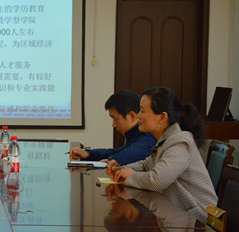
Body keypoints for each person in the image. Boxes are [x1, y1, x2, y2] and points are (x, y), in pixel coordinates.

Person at [107, 87, 217, 219]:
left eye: (142, 111)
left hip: (199, 218)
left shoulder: (180, 142)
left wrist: (130, 176)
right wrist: (121, 170)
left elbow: (157, 181)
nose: (138, 116)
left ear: (162, 117)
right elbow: (145, 165)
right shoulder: (165, 139)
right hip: (178, 214)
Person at [69, 91, 156, 165]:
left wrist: (111, 160)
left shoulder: (148, 136)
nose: (113, 125)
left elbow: (127, 155)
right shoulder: (134, 134)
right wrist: (88, 154)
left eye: (115, 119)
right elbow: (118, 152)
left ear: (132, 116)